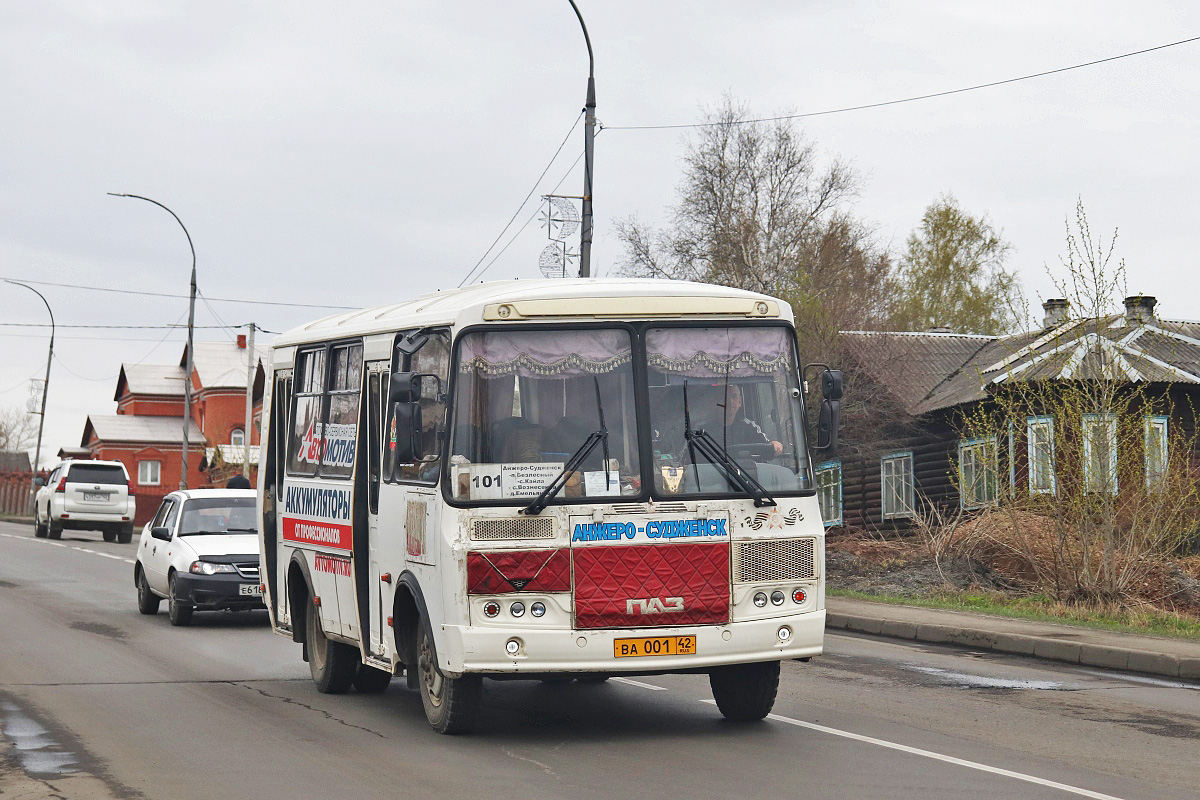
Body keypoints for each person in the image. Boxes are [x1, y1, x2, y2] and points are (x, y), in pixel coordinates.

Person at [694, 384, 784, 456]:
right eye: (723, 397)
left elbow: (766, 447)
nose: (730, 401)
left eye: (734, 397)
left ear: (740, 402)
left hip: (745, 477)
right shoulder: (701, 430)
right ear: (715, 402)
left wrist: (774, 445)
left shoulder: (750, 427)